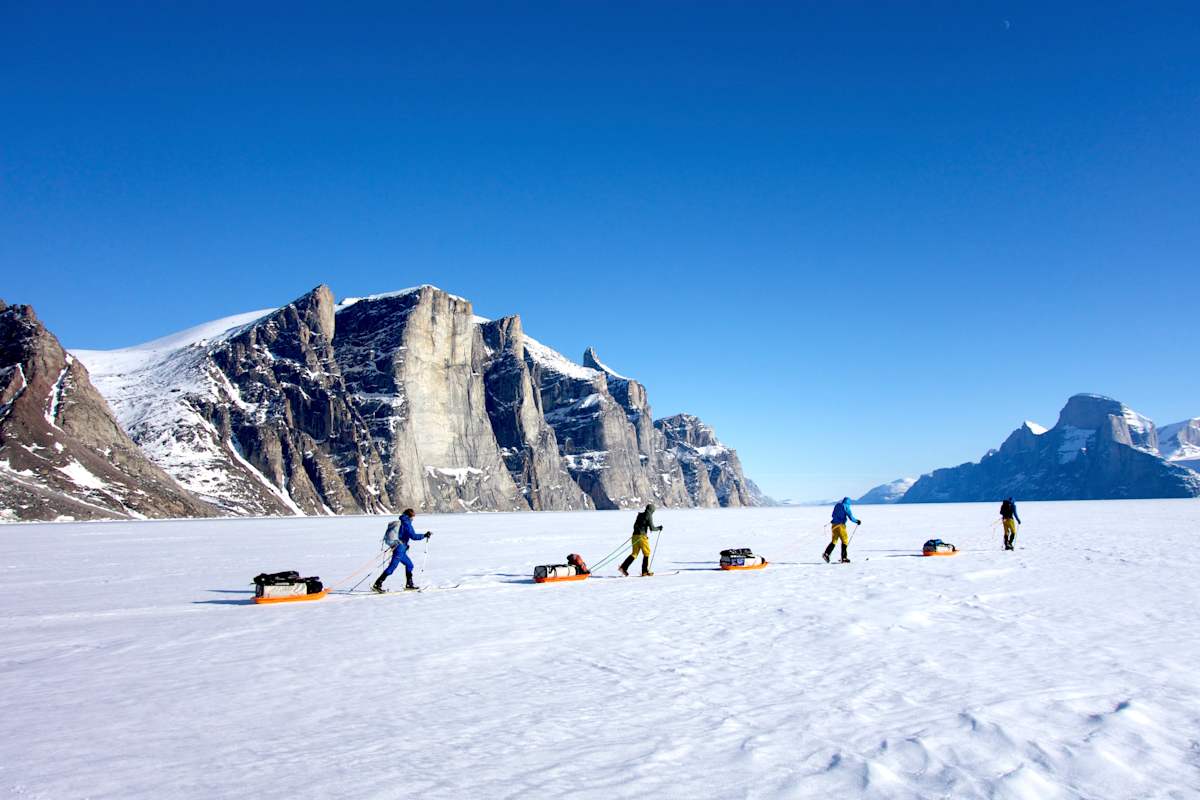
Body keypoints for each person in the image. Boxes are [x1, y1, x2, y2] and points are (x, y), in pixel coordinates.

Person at [372, 508, 432, 592]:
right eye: (413, 516)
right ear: (410, 516)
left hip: (401, 548)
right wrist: (424, 535)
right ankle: (377, 584)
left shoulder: (402, 522)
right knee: (392, 567)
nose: (413, 518)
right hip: (399, 548)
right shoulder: (407, 524)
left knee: (409, 565)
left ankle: (409, 584)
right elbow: (413, 536)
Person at [618, 503, 662, 577]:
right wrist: (659, 528)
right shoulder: (649, 515)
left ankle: (623, 567)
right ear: (652, 510)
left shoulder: (640, 515)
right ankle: (644, 571)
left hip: (634, 536)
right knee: (647, 553)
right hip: (642, 537)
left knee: (634, 553)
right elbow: (652, 528)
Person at [823, 497, 861, 563]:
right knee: (845, 541)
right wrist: (857, 521)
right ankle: (844, 558)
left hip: (834, 526)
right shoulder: (846, 507)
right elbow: (851, 517)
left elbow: (832, 515)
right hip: (841, 526)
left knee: (834, 541)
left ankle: (826, 554)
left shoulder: (837, 505)